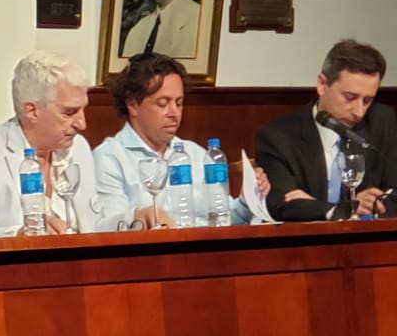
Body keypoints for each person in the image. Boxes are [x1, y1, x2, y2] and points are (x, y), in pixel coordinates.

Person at [93, 53, 269, 229]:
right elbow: (111, 228)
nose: (174, 113)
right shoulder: (110, 157)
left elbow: (225, 217)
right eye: (163, 104)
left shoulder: (195, 153)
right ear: (133, 105)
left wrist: (247, 200)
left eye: (179, 103)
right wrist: (139, 217)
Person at [0, 50, 101, 237]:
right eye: (69, 113)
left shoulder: (79, 147)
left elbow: (96, 224)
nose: (82, 124)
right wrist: (21, 235)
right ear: (32, 111)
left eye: (83, 110)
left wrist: (130, 219)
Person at [256, 39, 397, 221]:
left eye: (367, 100)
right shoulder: (278, 136)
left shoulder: (381, 121)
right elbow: (282, 204)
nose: (359, 111)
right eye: (350, 97)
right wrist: (342, 210)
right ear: (322, 85)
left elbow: (393, 191)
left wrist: (377, 202)